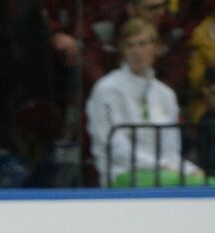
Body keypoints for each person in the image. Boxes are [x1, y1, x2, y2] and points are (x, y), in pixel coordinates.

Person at [87, 16, 205, 184]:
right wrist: (161, 166)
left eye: (143, 44)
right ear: (122, 51)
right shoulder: (106, 89)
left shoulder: (166, 95)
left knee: (208, 182)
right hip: (121, 174)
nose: (137, 51)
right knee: (192, 184)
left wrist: (190, 170)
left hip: (165, 172)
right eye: (130, 45)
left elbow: (171, 152)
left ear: (156, 48)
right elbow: (115, 147)